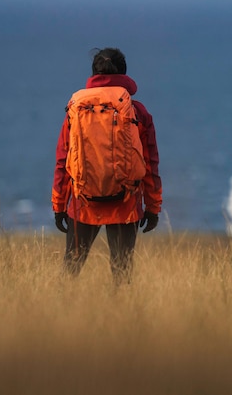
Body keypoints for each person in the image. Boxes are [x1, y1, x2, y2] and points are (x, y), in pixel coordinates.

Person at [51, 47, 162, 284]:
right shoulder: (137, 111)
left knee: (70, 271)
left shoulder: (75, 109)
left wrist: (59, 205)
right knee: (122, 273)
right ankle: (120, 318)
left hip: (83, 202)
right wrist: (153, 207)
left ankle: (56, 316)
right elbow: (150, 164)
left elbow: (63, 159)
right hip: (126, 203)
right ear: (123, 73)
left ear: (93, 74)